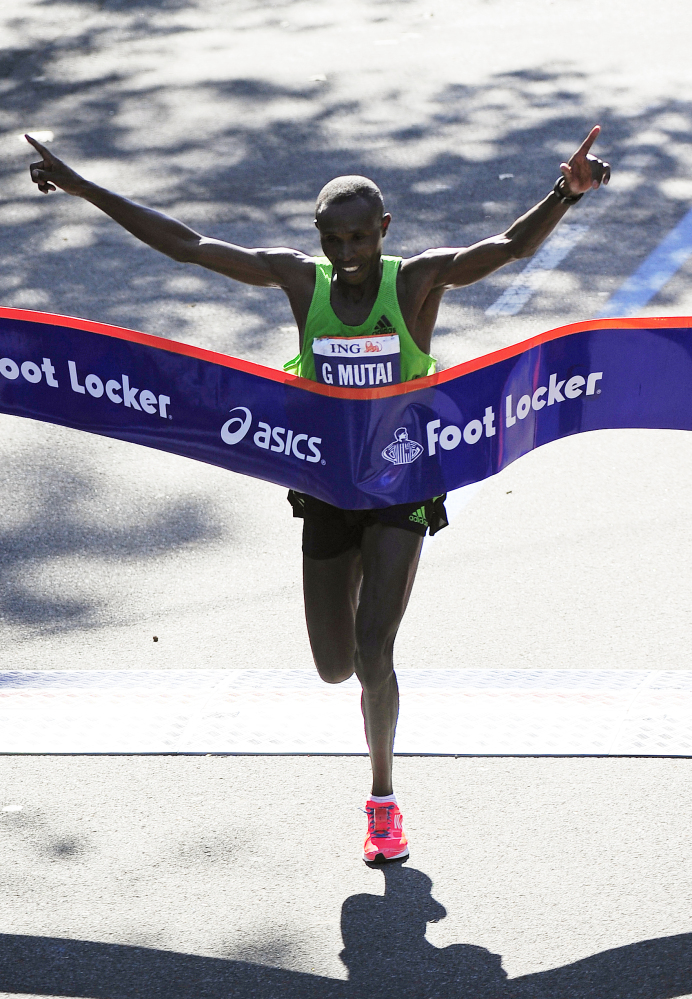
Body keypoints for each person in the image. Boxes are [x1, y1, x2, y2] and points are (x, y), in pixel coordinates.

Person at [26, 126, 610, 863]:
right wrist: (85, 187)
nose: (348, 255)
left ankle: (383, 803)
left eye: (361, 238)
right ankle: (365, 674)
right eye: (334, 240)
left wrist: (565, 192)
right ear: (319, 238)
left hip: (401, 485)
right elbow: (189, 246)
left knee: (374, 649)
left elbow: (507, 248)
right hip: (329, 488)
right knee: (334, 666)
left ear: (384, 230)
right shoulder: (302, 282)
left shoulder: (415, 280)